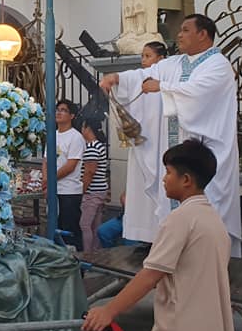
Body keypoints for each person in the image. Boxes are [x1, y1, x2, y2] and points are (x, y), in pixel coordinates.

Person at [83, 140, 238, 331]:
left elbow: (150, 275)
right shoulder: (213, 221)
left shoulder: (179, 220)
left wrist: (108, 311)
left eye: (168, 173)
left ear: (186, 180)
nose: (164, 179)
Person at [100, 14, 242, 256]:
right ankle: (176, 253)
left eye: (186, 30)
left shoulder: (218, 65)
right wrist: (118, 78)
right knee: (174, 204)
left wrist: (163, 87)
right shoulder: (175, 63)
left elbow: (199, 91)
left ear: (203, 34)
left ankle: (208, 257)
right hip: (177, 150)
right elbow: (144, 75)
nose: (179, 35)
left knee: (207, 205)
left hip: (207, 152)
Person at [113, 41, 168, 245]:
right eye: (142, 57)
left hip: (161, 141)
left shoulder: (165, 79)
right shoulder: (138, 78)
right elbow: (129, 86)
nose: (144, 61)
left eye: (148, 56)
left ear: (161, 59)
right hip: (144, 143)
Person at [42, 99, 86, 248]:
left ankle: (77, 262)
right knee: (55, 228)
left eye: (63, 110)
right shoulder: (52, 135)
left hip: (69, 191)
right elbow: (46, 161)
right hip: (54, 190)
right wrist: (46, 181)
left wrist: (51, 181)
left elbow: (70, 166)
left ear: (72, 115)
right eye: (57, 109)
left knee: (70, 230)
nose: (59, 113)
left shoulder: (76, 137)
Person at [79, 117, 110, 252]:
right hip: (100, 190)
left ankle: (88, 254)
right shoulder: (99, 146)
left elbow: (89, 172)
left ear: (87, 128)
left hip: (92, 192)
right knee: (95, 225)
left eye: (82, 127)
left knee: (85, 224)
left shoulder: (91, 147)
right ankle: (96, 252)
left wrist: (83, 190)